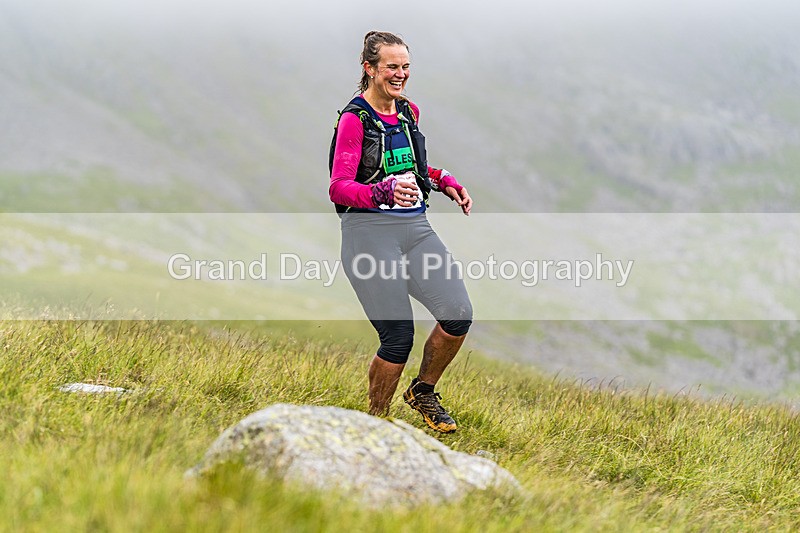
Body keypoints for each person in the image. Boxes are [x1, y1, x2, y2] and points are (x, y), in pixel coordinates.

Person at [329, 31, 473, 433]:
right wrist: (381, 192)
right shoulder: (354, 120)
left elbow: (410, 166)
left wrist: (443, 180)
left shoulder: (409, 112)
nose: (400, 74)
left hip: (415, 229)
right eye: (392, 66)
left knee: (458, 314)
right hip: (368, 235)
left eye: (406, 66)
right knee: (398, 336)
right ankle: (376, 424)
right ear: (369, 68)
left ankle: (422, 391)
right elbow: (339, 187)